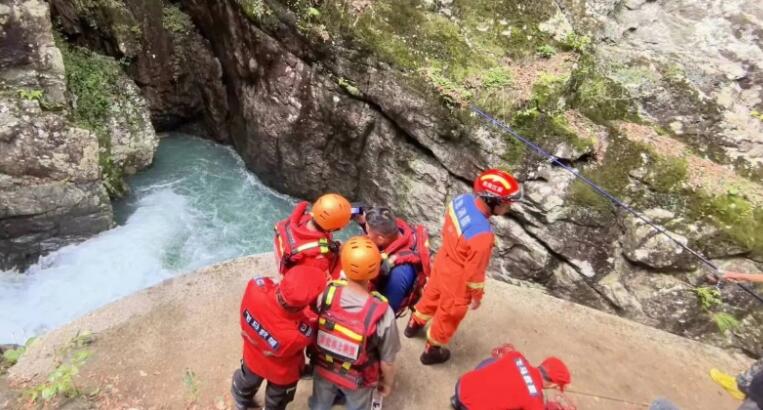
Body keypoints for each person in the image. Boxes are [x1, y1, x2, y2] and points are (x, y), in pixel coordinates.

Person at [405, 168, 524, 365]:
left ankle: (413, 325)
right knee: (449, 313)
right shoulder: (483, 236)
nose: (508, 207)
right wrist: (477, 296)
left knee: (431, 295)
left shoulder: (460, 201)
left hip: (443, 259)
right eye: (506, 203)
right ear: (492, 201)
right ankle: (431, 350)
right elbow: (475, 273)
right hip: (457, 277)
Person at [309, 236, 401, 410]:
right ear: (375, 272)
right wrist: (387, 383)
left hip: (324, 368)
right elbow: (387, 361)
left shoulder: (327, 295)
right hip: (358, 378)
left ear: (343, 266)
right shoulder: (383, 313)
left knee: (320, 403)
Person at [231, 265, 327, 410]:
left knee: (246, 382)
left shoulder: (254, 288)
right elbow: (312, 329)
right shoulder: (298, 334)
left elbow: (269, 282)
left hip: (252, 356)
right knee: (277, 399)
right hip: (281, 373)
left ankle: (241, 401)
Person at [451, 344, 572, 410]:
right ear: (553, 384)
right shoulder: (535, 399)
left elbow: (500, 352)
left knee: (492, 363)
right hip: (471, 408)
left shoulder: (517, 356)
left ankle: (456, 401)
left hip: (461, 385)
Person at [362, 207, 431, 315]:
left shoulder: (399, 274)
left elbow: (387, 312)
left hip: (386, 299)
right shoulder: (395, 229)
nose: (366, 235)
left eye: (367, 231)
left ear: (380, 239)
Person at [274, 193, 352, 280]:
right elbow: (320, 282)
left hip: (287, 262)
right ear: (334, 229)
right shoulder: (318, 259)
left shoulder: (301, 219)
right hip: (302, 279)